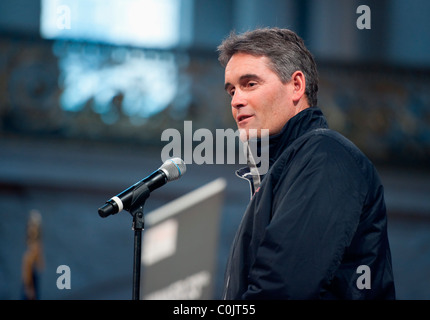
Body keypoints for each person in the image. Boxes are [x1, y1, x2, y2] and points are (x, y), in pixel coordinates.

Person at [217, 27, 396, 299]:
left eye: (250, 84)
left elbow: (284, 290)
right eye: (231, 90)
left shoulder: (324, 155)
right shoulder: (287, 165)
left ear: (297, 86)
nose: (237, 100)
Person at [21, 209, 45, 300]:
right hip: (30, 285)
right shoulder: (29, 255)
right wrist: (28, 288)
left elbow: (40, 265)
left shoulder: (36, 250)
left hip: (33, 278)